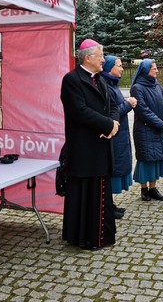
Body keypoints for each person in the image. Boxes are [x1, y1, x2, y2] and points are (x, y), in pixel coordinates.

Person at [60, 39, 119, 250]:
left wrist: (113, 124)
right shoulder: (71, 80)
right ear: (88, 57)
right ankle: (85, 238)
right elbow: (79, 111)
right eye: (101, 55)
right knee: (85, 194)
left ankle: (102, 236)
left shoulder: (99, 79)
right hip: (84, 148)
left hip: (101, 146)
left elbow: (111, 105)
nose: (104, 59)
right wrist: (107, 125)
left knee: (101, 192)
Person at [101, 56, 137, 219]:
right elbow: (111, 113)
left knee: (116, 169)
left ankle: (110, 205)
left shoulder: (112, 84)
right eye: (119, 66)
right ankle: (106, 206)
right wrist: (128, 103)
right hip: (112, 136)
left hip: (120, 135)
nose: (122, 68)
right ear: (109, 68)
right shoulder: (105, 86)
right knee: (111, 171)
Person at [131, 59, 163, 202]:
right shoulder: (137, 87)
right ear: (146, 70)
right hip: (145, 130)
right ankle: (144, 189)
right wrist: (161, 124)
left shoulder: (157, 85)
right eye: (154, 68)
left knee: (156, 159)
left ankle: (153, 188)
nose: (157, 70)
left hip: (160, 127)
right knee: (146, 160)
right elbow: (143, 111)